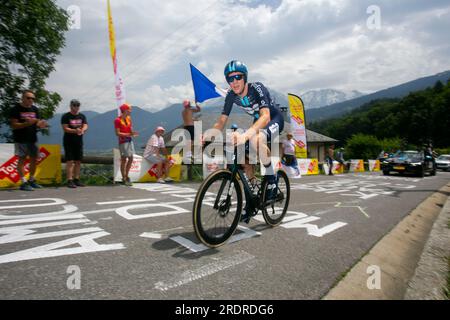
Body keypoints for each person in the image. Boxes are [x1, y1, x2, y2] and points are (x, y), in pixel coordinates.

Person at [205, 60, 285, 223]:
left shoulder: (257, 88)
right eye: (230, 79)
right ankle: (252, 198)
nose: (234, 82)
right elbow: (221, 121)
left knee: (255, 139)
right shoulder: (231, 95)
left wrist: (245, 136)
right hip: (258, 122)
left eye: (238, 77)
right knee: (241, 157)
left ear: (245, 77)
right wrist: (208, 135)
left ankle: (271, 178)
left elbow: (265, 116)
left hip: (273, 118)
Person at [9, 90, 48, 191]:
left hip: (32, 138)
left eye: (33, 98)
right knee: (22, 159)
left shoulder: (35, 109)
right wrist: (26, 124)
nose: (31, 100)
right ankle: (23, 182)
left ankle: (31, 180)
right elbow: (13, 125)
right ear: (22, 98)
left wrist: (42, 124)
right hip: (20, 139)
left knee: (34, 159)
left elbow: (37, 123)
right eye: (28, 98)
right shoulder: (16, 109)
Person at [61, 99, 88, 188]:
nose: (76, 107)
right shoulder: (66, 116)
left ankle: (76, 179)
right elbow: (65, 128)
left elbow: (85, 125)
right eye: (74, 105)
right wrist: (75, 130)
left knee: (78, 161)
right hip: (68, 142)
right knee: (70, 161)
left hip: (79, 141)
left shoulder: (82, 116)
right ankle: (69, 180)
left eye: (78, 105)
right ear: (71, 106)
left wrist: (82, 130)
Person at [114, 103, 138, 186]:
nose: (130, 111)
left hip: (129, 140)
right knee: (126, 159)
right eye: (129, 110)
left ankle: (126, 176)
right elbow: (117, 133)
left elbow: (130, 129)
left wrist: (133, 133)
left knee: (129, 158)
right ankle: (124, 177)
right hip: (123, 141)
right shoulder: (117, 120)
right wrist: (128, 134)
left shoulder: (129, 118)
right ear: (124, 110)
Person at [181, 99, 201, 163]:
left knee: (188, 142)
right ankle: (189, 155)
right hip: (190, 127)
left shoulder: (183, 112)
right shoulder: (190, 109)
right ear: (188, 104)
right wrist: (196, 104)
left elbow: (188, 118)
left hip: (185, 127)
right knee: (192, 142)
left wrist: (193, 119)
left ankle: (188, 154)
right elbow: (199, 109)